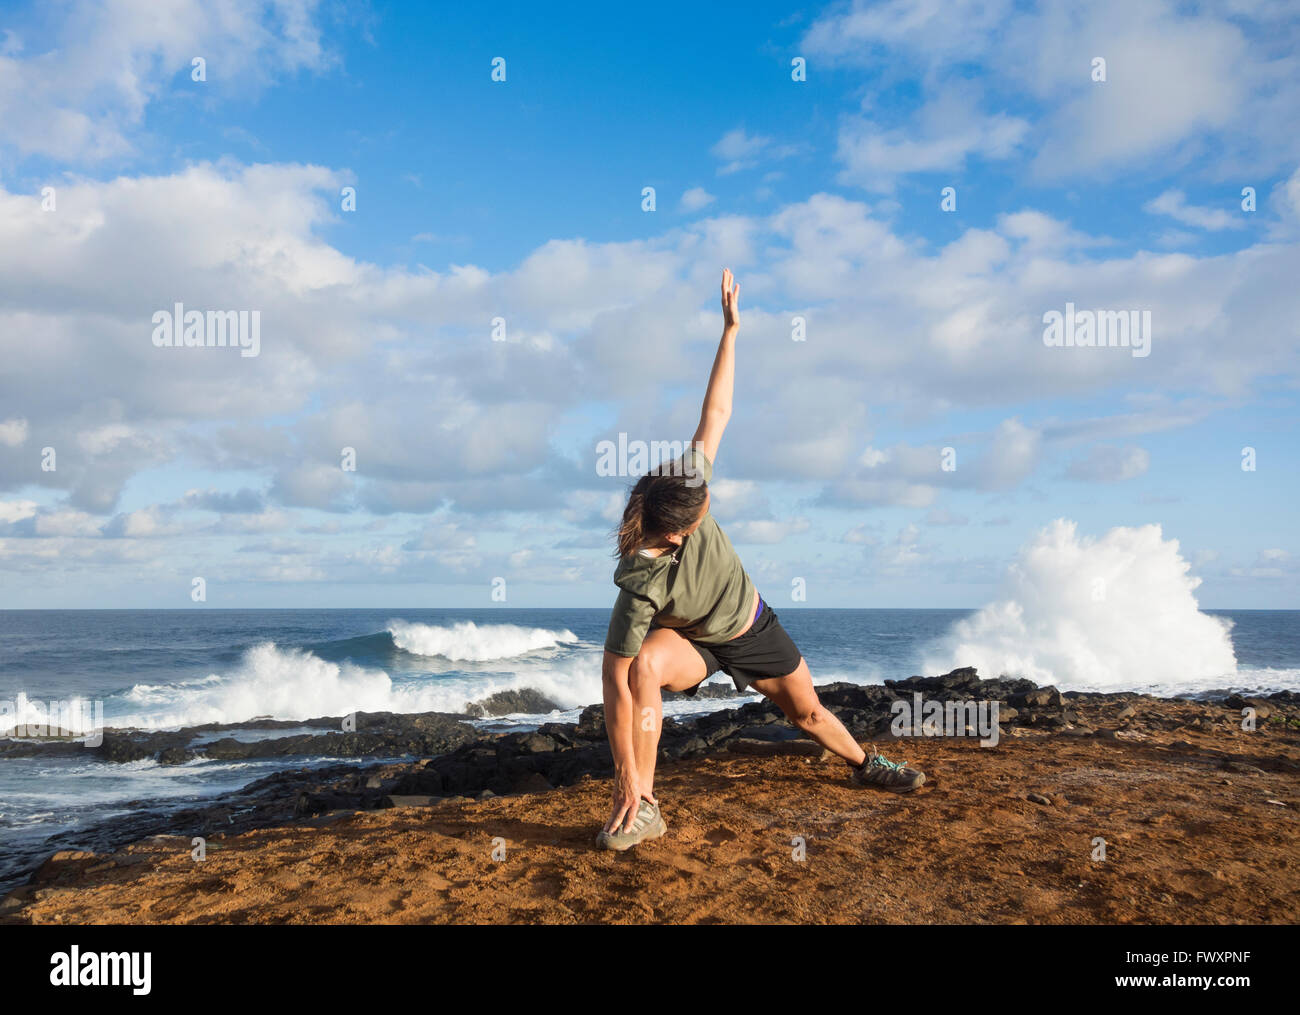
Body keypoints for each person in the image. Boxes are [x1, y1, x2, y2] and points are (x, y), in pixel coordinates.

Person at [597, 269, 925, 851]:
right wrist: (624, 778)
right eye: (699, 518)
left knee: (810, 716)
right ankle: (643, 806)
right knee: (644, 664)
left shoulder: (683, 484)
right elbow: (616, 687)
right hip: (693, 644)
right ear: (674, 535)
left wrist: (730, 332)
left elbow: (715, 415)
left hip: (751, 627)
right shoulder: (640, 588)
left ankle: (867, 763)